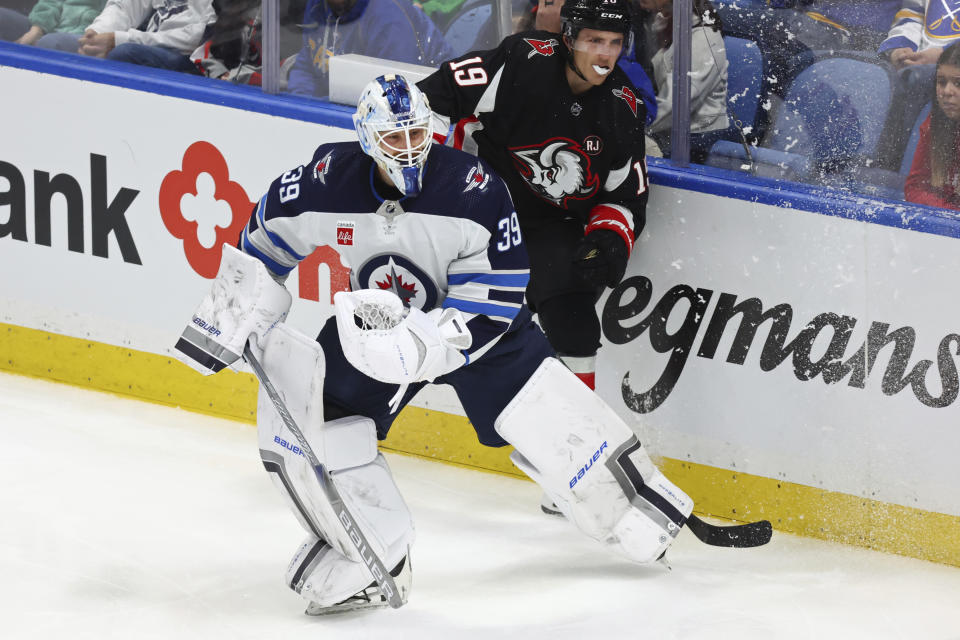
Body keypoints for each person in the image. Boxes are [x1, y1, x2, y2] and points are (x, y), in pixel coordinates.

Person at [173, 74, 693, 614]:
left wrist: (425, 344)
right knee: (317, 427)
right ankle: (373, 552)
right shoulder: (326, 180)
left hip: (476, 330)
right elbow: (261, 243)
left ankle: (638, 507)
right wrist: (235, 315)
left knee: (549, 414)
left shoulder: (475, 189)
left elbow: (500, 291)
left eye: (418, 133)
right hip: (371, 331)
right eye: (394, 138)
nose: (409, 148)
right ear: (366, 136)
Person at [417, 0, 649, 391]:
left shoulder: (623, 107)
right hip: (478, 206)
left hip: (548, 226)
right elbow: (432, 97)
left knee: (573, 311)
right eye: (594, 40)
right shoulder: (521, 59)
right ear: (570, 37)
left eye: (614, 42)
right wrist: (427, 179)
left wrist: (608, 239)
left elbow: (625, 195)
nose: (605, 54)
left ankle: (577, 426)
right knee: (428, 300)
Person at [286, 0, 455, 98]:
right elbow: (306, 64)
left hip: (427, 112)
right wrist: (303, 103)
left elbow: (395, 92)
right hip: (347, 106)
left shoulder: (387, 14)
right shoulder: (318, 6)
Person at [635, 0, 729, 161]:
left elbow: (678, 102)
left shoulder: (703, 39)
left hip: (696, 137)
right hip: (665, 127)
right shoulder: (661, 23)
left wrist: (631, 125)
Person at [78, 0, 215, 73]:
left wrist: (120, 39)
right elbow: (124, 7)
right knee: (62, 43)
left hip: (189, 57)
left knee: (124, 53)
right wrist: (97, 32)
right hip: (145, 43)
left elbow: (199, 36)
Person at [904, 42, 960, 209]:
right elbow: (914, 189)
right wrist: (950, 213)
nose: (947, 91)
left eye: (958, 83)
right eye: (941, 82)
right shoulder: (934, 123)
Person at [0, 0, 106, 52]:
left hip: (86, 36)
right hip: (48, 25)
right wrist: (38, 29)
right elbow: (50, 2)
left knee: (49, 43)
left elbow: (112, 17)